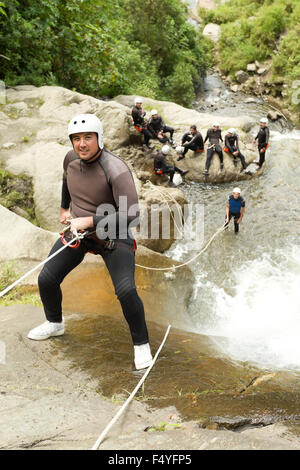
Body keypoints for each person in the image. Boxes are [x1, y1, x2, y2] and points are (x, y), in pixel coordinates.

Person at [27, 114, 153, 371]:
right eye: (76, 139)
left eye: (87, 138)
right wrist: (65, 208)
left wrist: (90, 221)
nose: (81, 144)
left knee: (126, 291)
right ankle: (55, 323)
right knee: (46, 279)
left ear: (99, 139)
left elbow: (131, 215)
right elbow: (67, 181)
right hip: (80, 233)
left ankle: (141, 345)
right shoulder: (70, 159)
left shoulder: (115, 169)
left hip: (113, 235)